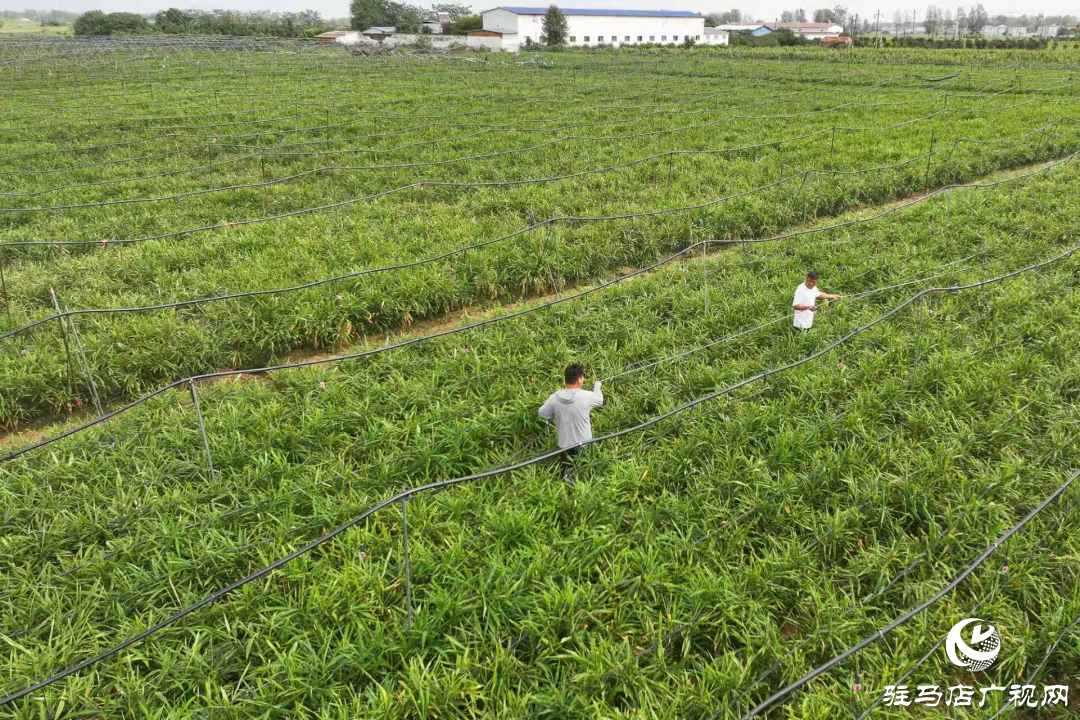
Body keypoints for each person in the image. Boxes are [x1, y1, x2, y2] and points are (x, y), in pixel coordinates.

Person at [538, 363, 604, 482]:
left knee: (565, 472)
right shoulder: (586, 396)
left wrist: (555, 413)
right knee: (586, 472)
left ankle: (565, 479)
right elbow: (599, 400)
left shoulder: (554, 397)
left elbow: (542, 413)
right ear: (579, 379)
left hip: (564, 446)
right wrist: (597, 386)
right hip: (585, 445)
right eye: (582, 376)